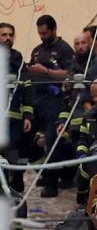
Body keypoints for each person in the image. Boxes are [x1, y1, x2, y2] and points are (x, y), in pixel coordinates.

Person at [28, 15, 74, 197]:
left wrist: (46, 71)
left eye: (44, 33)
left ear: (54, 30)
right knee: (29, 140)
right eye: (39, 33)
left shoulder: (64, 50)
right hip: (36, 99)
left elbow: (70, 74)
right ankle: (45, 171)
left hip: (54, 100)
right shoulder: (37, 50)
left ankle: (52, 182)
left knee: (52, 140)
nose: (41, 36)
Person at [0, 22, 34, 191]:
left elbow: (27, 87)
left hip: (14, 118)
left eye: (10, 35)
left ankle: (15, 189)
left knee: (13, 155)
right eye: (4, 35)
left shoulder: (17, 58)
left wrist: (28, 116)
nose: (8, 38)